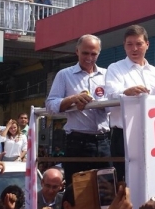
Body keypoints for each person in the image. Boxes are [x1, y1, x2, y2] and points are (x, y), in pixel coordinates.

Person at [46, 34, 110, 184]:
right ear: (77, 51)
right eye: (85, 53)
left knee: (106, 192)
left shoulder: (107, 75)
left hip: (104, 141)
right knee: (77, 193)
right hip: (77, 142)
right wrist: (72, 100)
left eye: (93, 54)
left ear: (99, 53)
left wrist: (100, 105)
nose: (89, 57)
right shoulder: (64, 75)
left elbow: (115, 105)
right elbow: (50, 105)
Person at [105, 25, 155, 180]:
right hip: (123, 134)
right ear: (124, 46)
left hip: (152, 133)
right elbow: (110, 96)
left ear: (147, 44)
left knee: (150, 177)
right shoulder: (115, 68)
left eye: (139, 44)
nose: (134, 48)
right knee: (124, 181)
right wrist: (126, 93)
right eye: (129, 44)